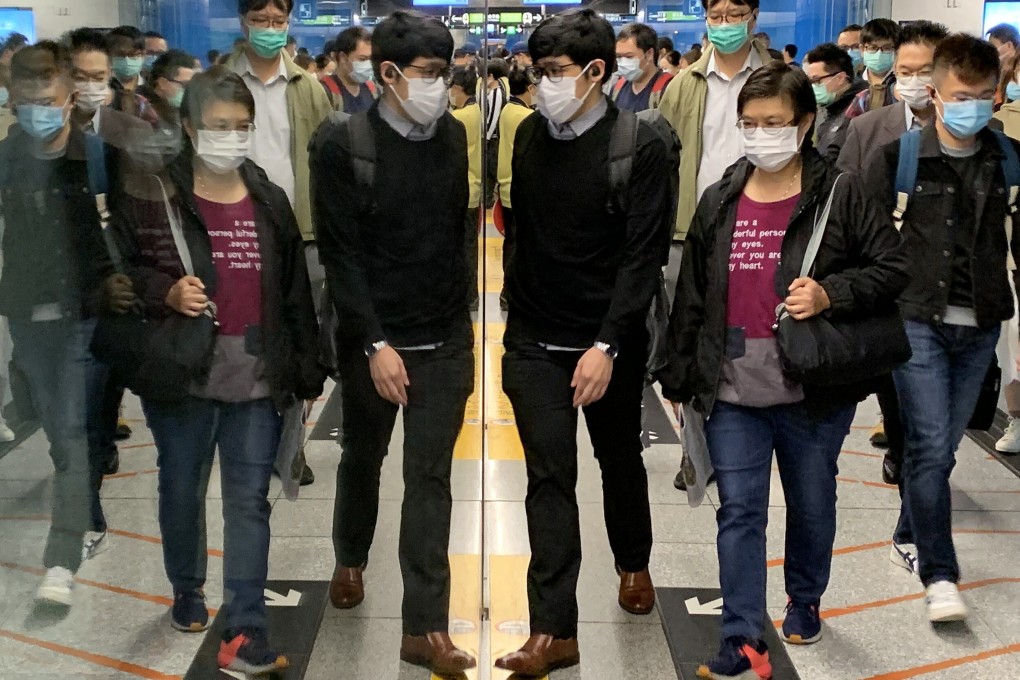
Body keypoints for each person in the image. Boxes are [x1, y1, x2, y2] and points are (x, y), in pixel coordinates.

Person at [661, 61, 908, 680]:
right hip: (732, 384)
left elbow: (892, 269)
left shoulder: (840, 193)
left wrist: (831, 294)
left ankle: (805, 597)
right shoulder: (721, 196)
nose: (760, 135)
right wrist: (678, 371)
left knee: (811, 500)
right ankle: (742, 634)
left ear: (803, 124)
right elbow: (694, 291)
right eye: (749, 124)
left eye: (773, 123)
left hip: (811, 385)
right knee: (739, 509)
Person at [109, 65, 323, 673]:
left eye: (242, 127)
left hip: (255, 375)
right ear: (187, 126)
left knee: (249, 501)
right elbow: (120, 269)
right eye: (217, 127)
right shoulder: (155, 195)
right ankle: (187, 587)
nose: (231, 137)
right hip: (183, 374)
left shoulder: (269, 198)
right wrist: (164, 293)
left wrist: (305, 372)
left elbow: (292, 296)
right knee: (182, 487)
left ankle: (246, 631)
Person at [494, 10, 673, 675]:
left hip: (607, 342)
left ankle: (633, 563)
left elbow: (642, 255)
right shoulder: (530, 138)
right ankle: (553, 631)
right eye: (536, 73)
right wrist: (514, 325)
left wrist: (608, 345)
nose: (542, 85)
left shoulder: (639, 146)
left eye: (555, 73)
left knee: (618, 460)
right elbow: (522, 232)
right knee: (547, 478)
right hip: (535, 339)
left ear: (597, 72)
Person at [311, 10, 476, 675]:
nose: (440, 86)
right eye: (428, 74)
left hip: (444, 336)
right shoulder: (342, 143)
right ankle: (350, 555)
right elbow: (341, 256)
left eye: (446, 73)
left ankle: (424, 627)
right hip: (371, 338)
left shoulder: (454, 139)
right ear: (387, 74)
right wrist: (374, 343)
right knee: (363, 455)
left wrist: (462, 318)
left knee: (430, 477)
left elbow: (456, 230)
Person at [863, 33, 1020, 622]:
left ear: (997, 94)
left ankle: (908, 529)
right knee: (928, 443)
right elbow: (870, 243)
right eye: (960, 95)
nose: (971, 107)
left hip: (980, 325)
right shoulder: (899, 158)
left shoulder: (1009, 161)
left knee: (946, 447)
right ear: (935, 92)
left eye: (984, 96)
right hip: (915, 323)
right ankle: (940, 573)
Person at [0, 41, 123, 606]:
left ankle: (61, 560)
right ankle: (81, 515)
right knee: (57, 432)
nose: (37, 112)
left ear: (69, 98)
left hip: (86, 316)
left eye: (47, 100)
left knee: (72, 433)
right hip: (27, 317)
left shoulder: (98, 156)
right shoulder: (5, 161)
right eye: (25, 102)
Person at [659, 0, 774, 491]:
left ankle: (745, 446)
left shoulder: (778, 80)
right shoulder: (684, 85)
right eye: (717, 13)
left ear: (753, 15)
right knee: (687, 345)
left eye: (735, 12)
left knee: (747, 343)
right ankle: (696, 454)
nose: (725, 23)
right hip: (691, 231)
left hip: (762, 228)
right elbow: (664, 158)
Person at [225, 0, 332, 486]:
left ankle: (290, 450)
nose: (270, 29)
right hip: (233, 230)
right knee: (238, 339)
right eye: (261, 20)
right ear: (243, 22)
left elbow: (328, 159)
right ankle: (241, 443)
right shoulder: (219, 84)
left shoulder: (308, 87)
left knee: (298, 341)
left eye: (278, 21)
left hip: (299, 232)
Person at [496, 66, 537, 311]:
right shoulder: (526, 117)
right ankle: (511, 292)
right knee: (518, 245)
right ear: (530, 88)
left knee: (510, 243)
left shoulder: (506, 110)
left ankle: (507, 290)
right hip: (520, 188)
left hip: (505, 184)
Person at [449, 65, 482, 310]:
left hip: (461, 190)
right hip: (475, 188)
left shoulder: (458, 118)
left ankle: (467, 295)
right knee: (470, 246)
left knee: (462, 249)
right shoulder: (477, 111)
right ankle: (472, 295)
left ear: (458, 89)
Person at [803, 42, 866, 162]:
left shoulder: (859, 110)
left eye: (817, 81)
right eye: (810, 82)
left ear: (840, 78)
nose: (813, 87)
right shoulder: (825, 110)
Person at [845, 18, 899, 119]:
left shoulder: (901, 83)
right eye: (873, 48)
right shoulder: (851, 83)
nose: (879, 54)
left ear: (896, 50)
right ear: (862, 49)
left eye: (887, 48)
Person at [612, 23, 673, 112]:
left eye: (629, 57)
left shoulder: (667, 88)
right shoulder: (617, 89)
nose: (623, 62)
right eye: (619, 57)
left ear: (649, 54)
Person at [322, 26, 377, 114]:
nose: (369, 64)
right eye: (362, 59)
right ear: (343, 57)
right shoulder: (325, 91)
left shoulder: (372, 89)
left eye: (371, 59)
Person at [139, 49, 197, 123]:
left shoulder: (185, 114)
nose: (189, 91)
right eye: (185, 85)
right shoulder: (141, 111)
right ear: (162, 83)